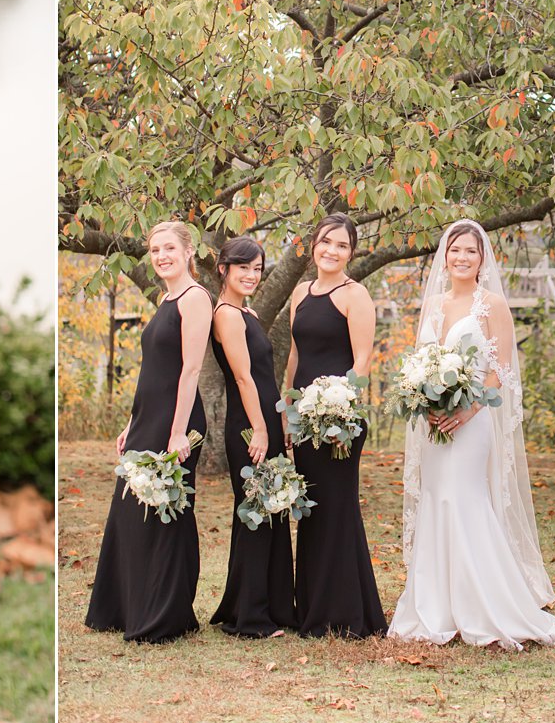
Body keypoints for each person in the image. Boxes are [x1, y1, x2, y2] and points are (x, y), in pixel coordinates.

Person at [387, 220, 555, 649]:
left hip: (473, 419)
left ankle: (486, 605)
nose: (462, 257)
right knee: (435, 498)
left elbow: (502, 371)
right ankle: (436, 606)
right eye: (454, 250)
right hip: (433, 424)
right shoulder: (432, 304)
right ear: (444, 257)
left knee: (464, 498)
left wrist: (466, 411)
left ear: (482, 258)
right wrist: (424, 400)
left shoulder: (492, 304)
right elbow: (420, 361)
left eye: (470, 251)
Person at [85, 220, 211, 643]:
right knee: (131, 512)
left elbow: (190, 369)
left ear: (188, 251)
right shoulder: (165, 297)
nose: (161, 256)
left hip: (176, 420)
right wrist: (131, 422)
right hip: (148, 417)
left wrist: (177, 433)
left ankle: (165, 614)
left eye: (169, 248)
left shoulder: (195, 298)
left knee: (164, 513)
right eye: (155, 250)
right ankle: (125, 606)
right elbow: (153, 370)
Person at [283, 214, 385, 638]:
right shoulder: (300, 292)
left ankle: (345, 614)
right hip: (304, 419)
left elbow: (362, 361)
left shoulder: (355, 294)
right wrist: (287, 410)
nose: (332, 250)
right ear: (314, 246)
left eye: (341, 245)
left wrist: (342, 410)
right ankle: (312, 607)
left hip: (339, 421)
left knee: (337, 509)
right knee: (312, 511)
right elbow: (294, 355)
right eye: (326, 242)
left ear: (351, 252)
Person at [208, 236, 294, 637]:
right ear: (224, 269)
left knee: (268, 513)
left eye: (258, 268)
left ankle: (265, 608)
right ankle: (251, 619)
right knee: (256, 514)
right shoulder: (226, 314)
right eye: (243, 267)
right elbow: (243, 377)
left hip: (266, 420)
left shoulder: (246, 313)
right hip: (249, 424)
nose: (252, 275)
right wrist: (260, 428)